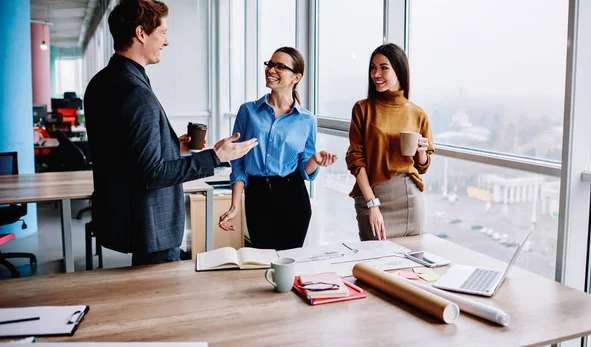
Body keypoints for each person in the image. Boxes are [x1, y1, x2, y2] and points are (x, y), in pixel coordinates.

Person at [84, 0, 257, 266]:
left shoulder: (101, 82)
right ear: (141, 33)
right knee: (157, 300)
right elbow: (150, 174)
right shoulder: (136, 94)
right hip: (149, 224)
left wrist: (173, 147)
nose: (166, 41)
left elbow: (121, 152)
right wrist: (214, 156)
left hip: (122, 216)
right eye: (163, 32)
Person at [218, 47, 337, 251]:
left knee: (289, 265)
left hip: (293, 197)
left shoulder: (306, 120)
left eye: (280, 66)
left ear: (296, 77)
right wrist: (235, 204)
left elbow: (304, 171)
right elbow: (237, 163)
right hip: (257, 197)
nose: (271, 70)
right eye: (270, 64)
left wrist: (315, 160)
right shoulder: (248, 111)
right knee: (263, 262)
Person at [346, 43, 434, 241]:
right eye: (373, 67)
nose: (376, 74)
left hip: (409, 197)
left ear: (399, 70)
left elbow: (422, 166)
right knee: (375, 266)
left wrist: (421, 151)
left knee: (411, 266)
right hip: (372, 196)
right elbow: (355, 160)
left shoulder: (418, 114)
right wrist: (372, 203)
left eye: (383, 68)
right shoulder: (362, 109)